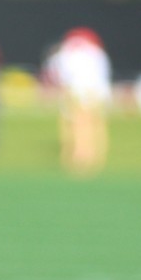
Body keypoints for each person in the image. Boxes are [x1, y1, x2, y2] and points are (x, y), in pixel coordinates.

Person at [48, 27, 111, 176]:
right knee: (94, 123)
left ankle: (79, 156)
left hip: (78, 89)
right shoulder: (97, 53)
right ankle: (95, 156)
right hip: (95, 90)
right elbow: (104, 73)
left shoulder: (69, 53)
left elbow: (61, 73)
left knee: (78, 124)